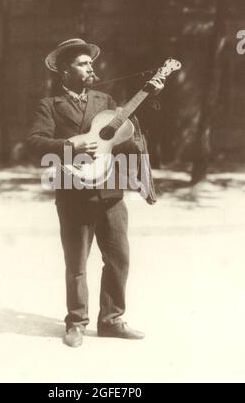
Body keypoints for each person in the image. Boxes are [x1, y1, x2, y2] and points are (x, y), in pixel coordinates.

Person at [27, 39, 164, 347]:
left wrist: (149, 97)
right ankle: (76, 322)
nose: (91, 67)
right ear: (65, 70)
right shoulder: (49, 105)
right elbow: (34, 142)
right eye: (82, 63)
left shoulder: (106, 100)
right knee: (76, 262)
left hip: (111, 191)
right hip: (74, 191)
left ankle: (112, 320)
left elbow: (126, 134)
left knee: (119, 258)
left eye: (91, 63)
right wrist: (70, 145)